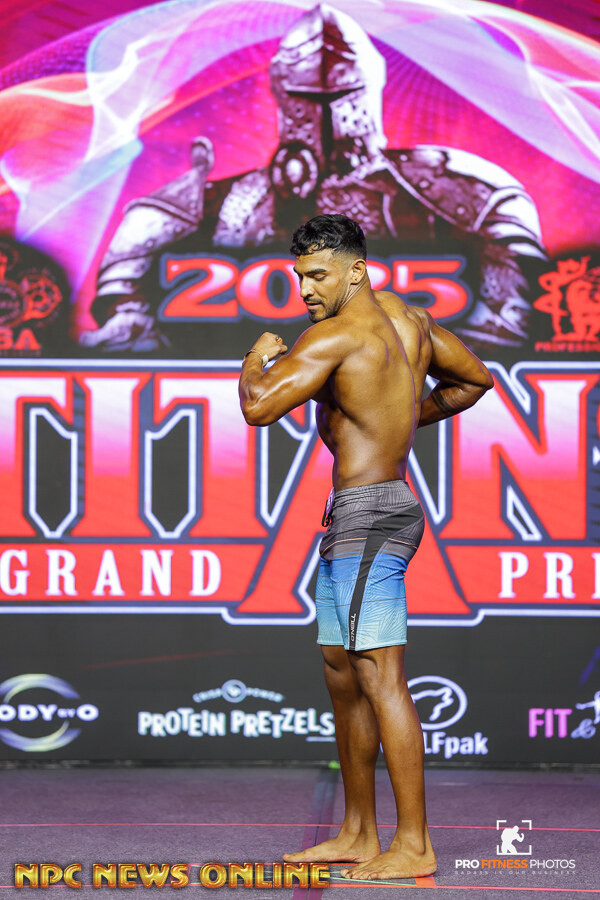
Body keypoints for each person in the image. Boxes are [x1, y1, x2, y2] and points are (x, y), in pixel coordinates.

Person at [238, 213, 493, 881]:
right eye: (300, 277)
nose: (306, 290)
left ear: (357, 270)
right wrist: (399, 416)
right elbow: (473, 381)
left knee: (379, 677)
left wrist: (255, 358)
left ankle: (414, 843)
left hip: (371, 516)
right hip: (361, 514)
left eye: (318, 276)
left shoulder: (335, 334)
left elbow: (259, 407)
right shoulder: (412, 321)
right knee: (343, 673)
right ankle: (357, 831)